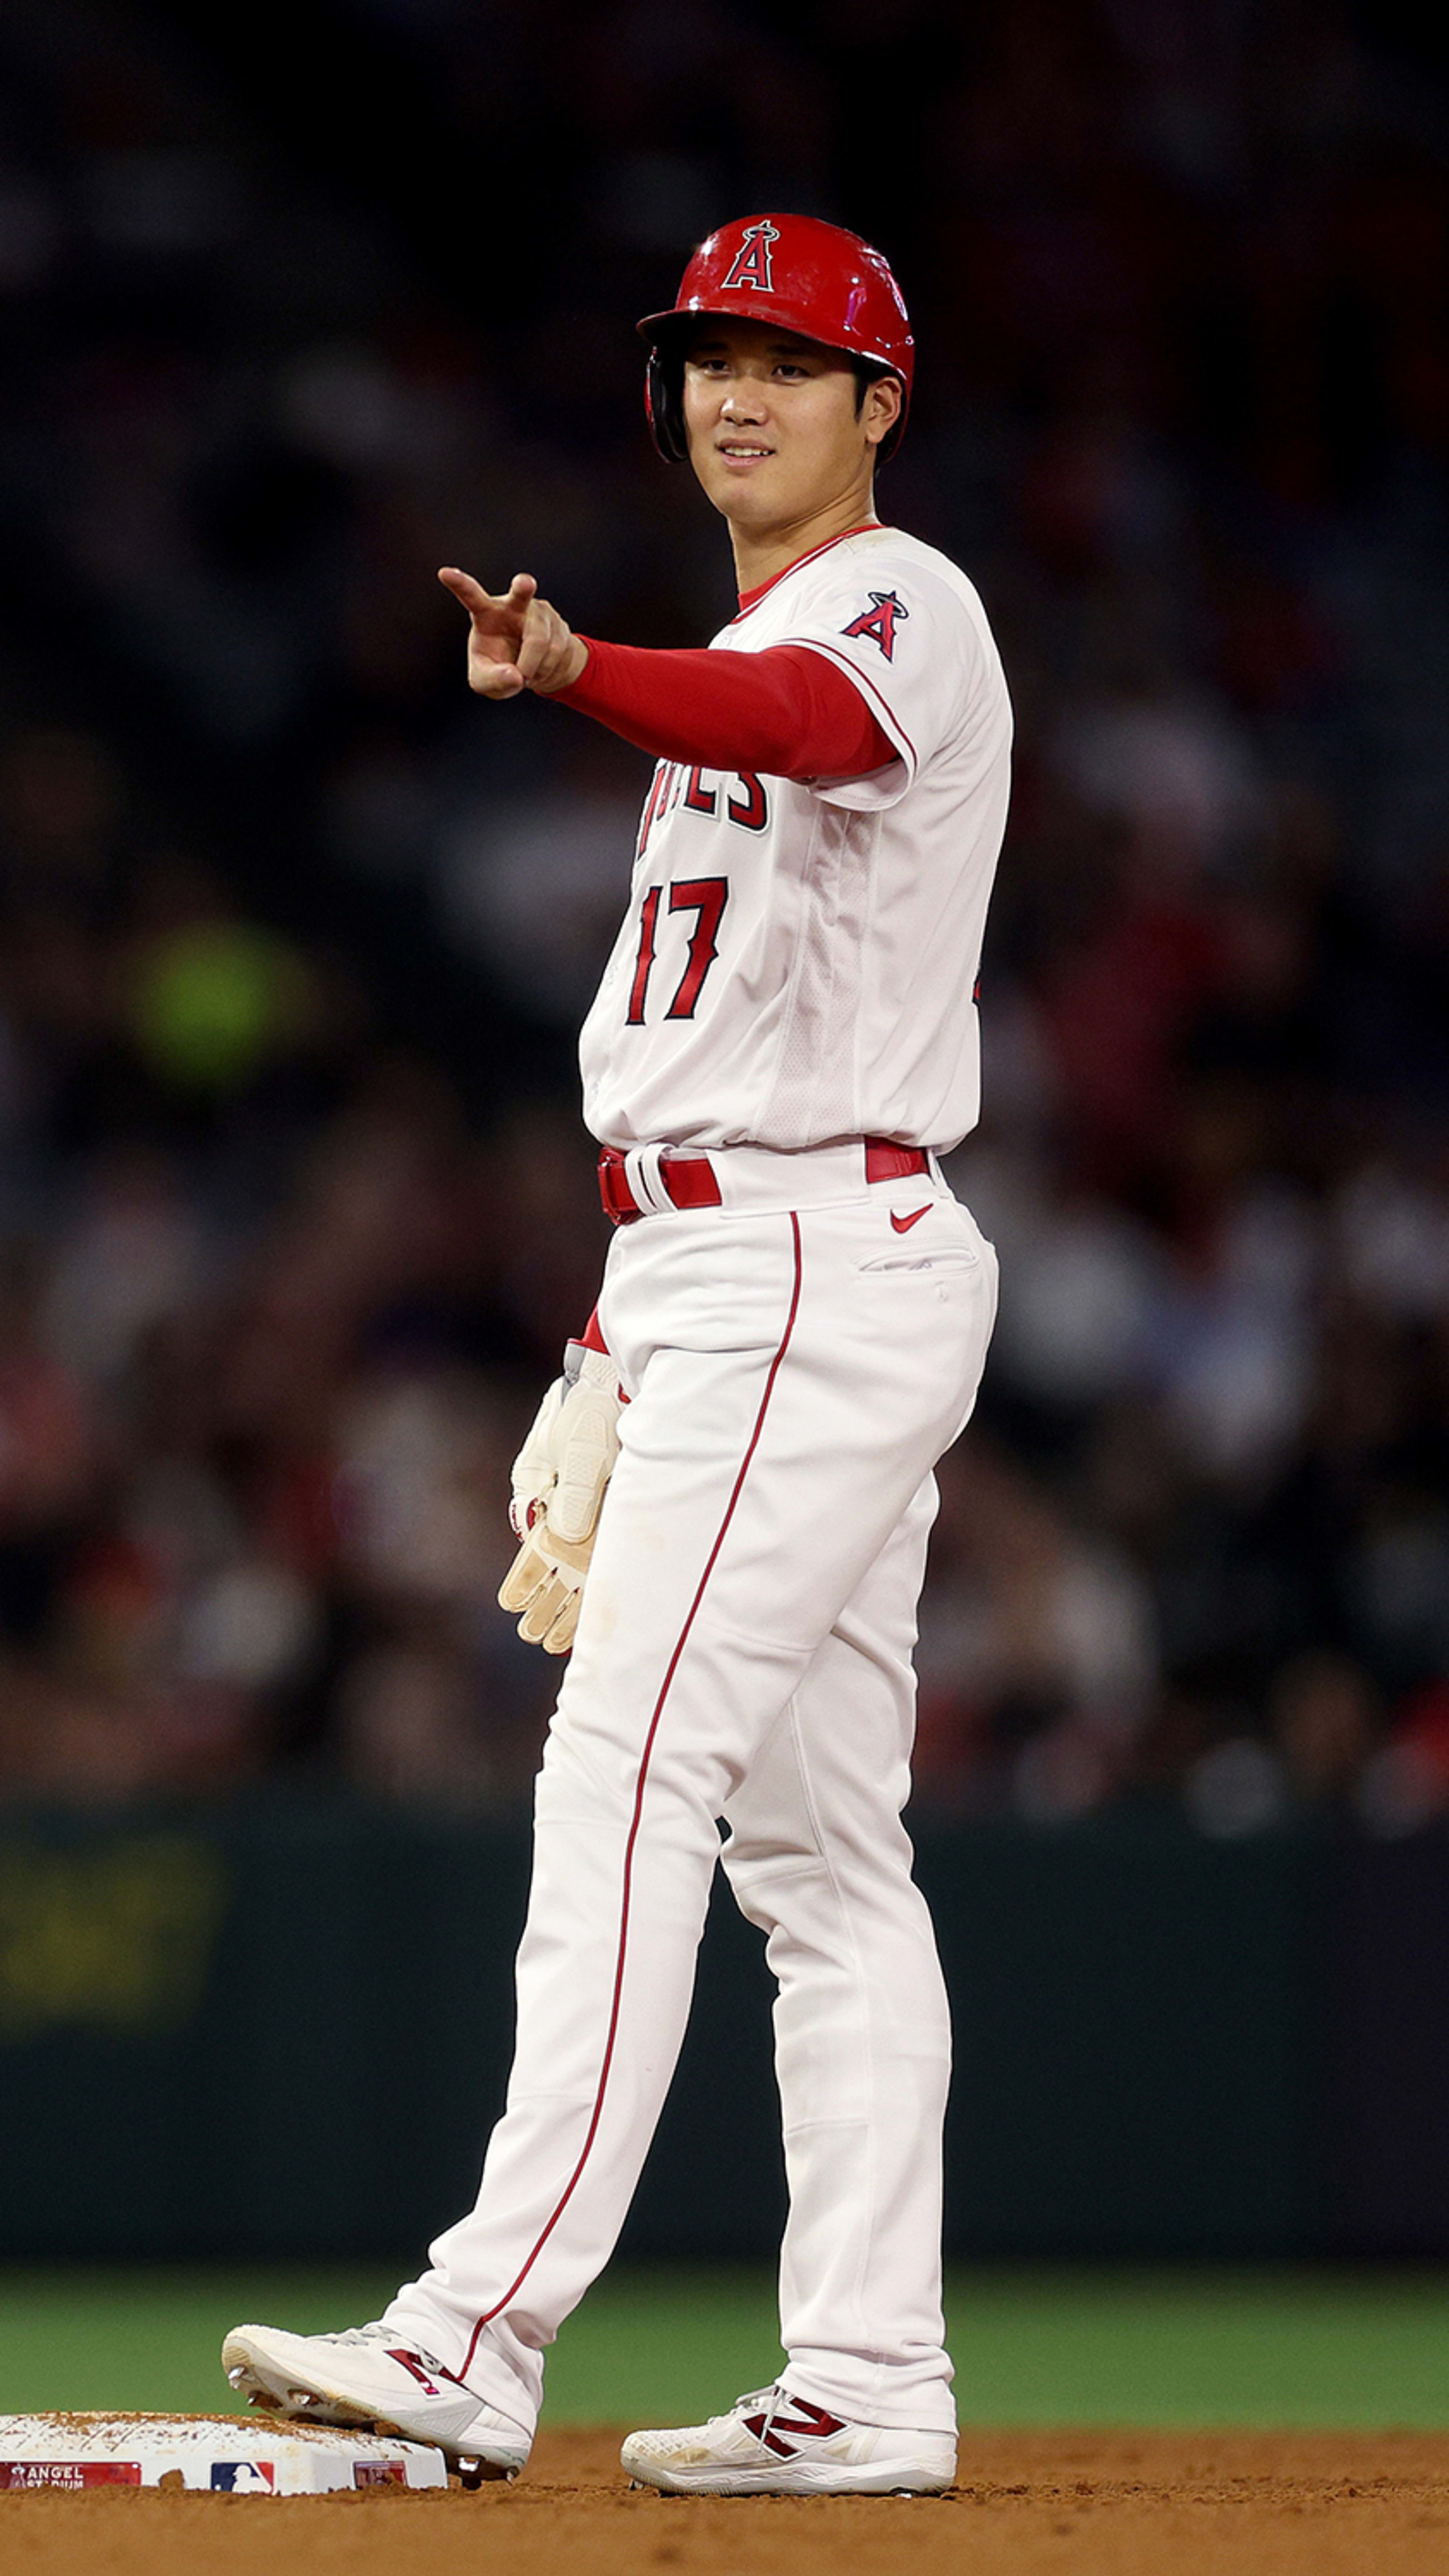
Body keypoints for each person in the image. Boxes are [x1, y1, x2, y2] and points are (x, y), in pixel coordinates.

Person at [222, 211, 1010, 2499]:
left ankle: (479, 2325)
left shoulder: (894, 602)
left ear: (880, 401)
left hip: (803, 1263)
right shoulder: (758, 623)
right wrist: (606, 1331)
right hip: (717, 1270)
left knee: (626, 1769)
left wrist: (576, 669)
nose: (732, 393)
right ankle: (869, 2376)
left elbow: (789, 719)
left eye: (788, 358)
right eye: (701, 359)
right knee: (819, 1852)